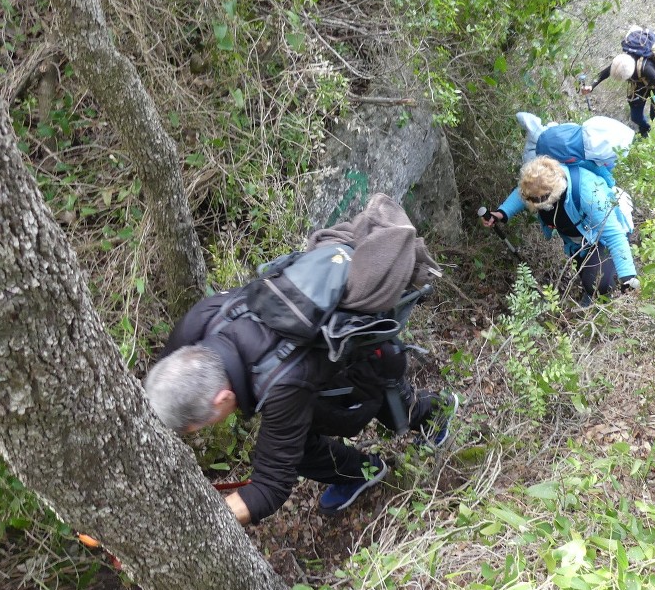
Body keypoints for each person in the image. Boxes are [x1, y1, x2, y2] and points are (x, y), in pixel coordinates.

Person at [144, 194, 458, 526]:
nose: (203, 428)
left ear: (224, 397)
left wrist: (191, 523)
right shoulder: (203, 319)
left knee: (377, 419)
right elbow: (159, 396)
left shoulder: (282, 384)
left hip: (365, 367)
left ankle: (417, 425)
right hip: (331, 352)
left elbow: (270, 485)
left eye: (201, 424)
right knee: (306, 427)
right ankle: (375, 456)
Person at [482, 155, 640, 305]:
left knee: (599, 282)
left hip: (601, 236)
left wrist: (627, 276)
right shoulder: (538, 184)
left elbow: (614, 235)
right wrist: (501, 213)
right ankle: (589, 289)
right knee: (585, 270)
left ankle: (596, 294)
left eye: (537, 203)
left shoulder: (587, 191)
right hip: (579, 241)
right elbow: (522, 194)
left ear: (553, 193)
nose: (533, 206)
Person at [582, 52, 655, 137]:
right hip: (638, 86)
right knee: (636, 117)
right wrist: (591, 86)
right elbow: (604, 74)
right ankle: (645, 130)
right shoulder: (620, 63)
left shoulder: (647, 68)